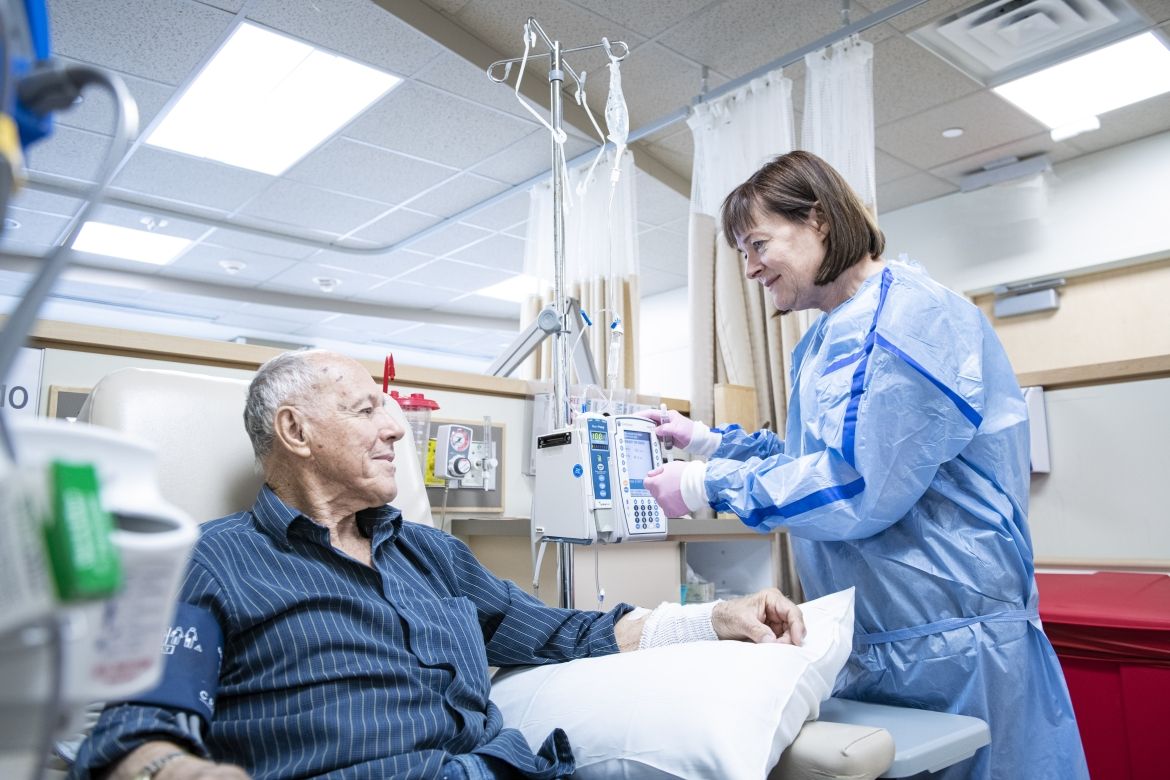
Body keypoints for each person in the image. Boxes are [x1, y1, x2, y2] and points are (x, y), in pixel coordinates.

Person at [69, 349, 805, 780]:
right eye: (366, 410)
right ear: (295, 432)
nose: (396, 425)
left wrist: (714, 617)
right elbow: (137, 732)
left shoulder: (433, 554)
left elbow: (567, 634)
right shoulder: (207, 562)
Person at [642, 151, 1088, 780]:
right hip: (900, 634)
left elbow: (856, 487)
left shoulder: (904, 320)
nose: (749, 268)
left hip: (951, 637)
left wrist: (705, 484)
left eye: (758, 243)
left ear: (818, 220)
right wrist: (712, 444)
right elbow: (818, 459)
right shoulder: (834, 331)